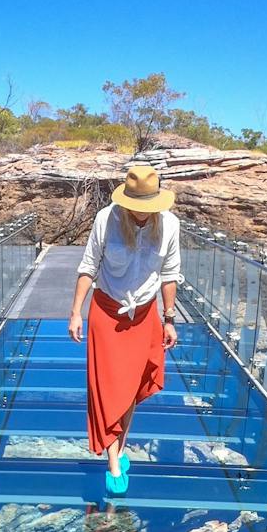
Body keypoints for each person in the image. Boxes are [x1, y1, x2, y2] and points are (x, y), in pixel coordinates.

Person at [68, 163, 180, 495]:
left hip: (145, 316)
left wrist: (170, 318)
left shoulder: (171, 225)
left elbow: (170, 274)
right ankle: (114, 462)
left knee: (130, 390)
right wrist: (76, 312)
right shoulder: (107, 219)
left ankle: (119, 447)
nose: (141, 214)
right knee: (109, 391)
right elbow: (88, 267)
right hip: (107, 313)